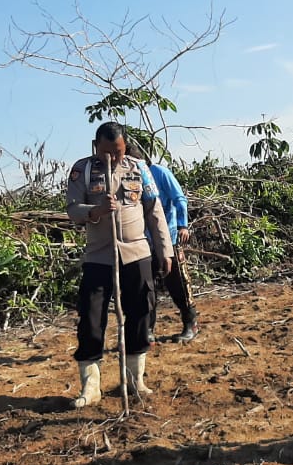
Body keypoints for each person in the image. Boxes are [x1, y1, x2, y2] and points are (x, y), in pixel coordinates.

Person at [66, 121, 172, 407]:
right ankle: (91, 386)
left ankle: (134, 379)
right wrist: (96, 211)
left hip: (137, 253)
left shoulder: (139, 168)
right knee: (91, 317)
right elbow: (73, 209)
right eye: (106, 152)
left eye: (118, 151)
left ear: (125, 146)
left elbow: (154, 211)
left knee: (140, 311)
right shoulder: (84, 169)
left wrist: (165, 250)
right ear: (95, 146)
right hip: (99, 256)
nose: (112, 157)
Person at [146, 160, 200, 343]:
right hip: (144, 241)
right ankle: (147, 329)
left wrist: (183, 225)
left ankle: (190, 323)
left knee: (178, 283)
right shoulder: (128, 176)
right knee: (147, 286)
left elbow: (179, 198)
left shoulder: (160, 173)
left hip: (169, 236)